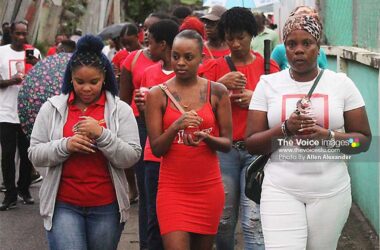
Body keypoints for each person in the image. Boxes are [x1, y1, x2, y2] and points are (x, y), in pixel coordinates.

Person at [246, 14, 372, 250]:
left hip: (330, 192)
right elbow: (252, 143)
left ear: (318, 46)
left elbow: (362, 142)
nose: (299, 50)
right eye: (291, 44)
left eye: (307, 43)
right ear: (284, 47)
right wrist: (285, 129)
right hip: (280, 188)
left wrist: (329, 137)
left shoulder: (341, 84)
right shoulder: (267, 84)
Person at [28, 35, 142, 250]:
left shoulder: (120, 110)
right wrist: (66, 145)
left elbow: (131, 156)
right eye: (80, 82)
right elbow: (34, 153)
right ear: (70, 77)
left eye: (94, 82)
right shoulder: (52, 108)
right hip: (63, 205)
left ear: (105, 78)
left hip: (107, 206)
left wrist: (102, 135)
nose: (87, 88)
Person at [145, 29, 232, 250]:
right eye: (175, 56)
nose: (180, 62)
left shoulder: (217, 92)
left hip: (208, 189)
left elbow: (227, 143)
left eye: (188, 57)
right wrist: (176, 126)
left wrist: (207, 138)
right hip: (172, 190)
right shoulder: (157, 94)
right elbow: (156, 149)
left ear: (202, 59)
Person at [201, 7, 279, 250]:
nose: (235, 44)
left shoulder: (269, 67)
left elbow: (279, 109)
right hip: (224, 152)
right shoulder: (215, 68)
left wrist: (255, 97)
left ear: (252, 35)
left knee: (253, 220)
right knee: (223, 221)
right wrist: (219, 85)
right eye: (230, 38)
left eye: (241, 37)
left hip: (257, 151)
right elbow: (194, 101)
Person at [119, 12, 169, 250]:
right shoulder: (133, 59)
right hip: (139, 124)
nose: (146, 32)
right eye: (144, 28)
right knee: (148, 188)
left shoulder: (179, 62)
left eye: (152, 29)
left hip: (169, 123)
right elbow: (123, 97)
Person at [139, 19, 179, 250]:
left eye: (150, 42)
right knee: (153, 218)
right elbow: (149, 122)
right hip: (154, 157)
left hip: (182, 154)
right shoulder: (148, 73)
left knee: (175, 219)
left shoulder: (193, 74)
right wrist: (145, 109)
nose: (147, 48)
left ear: (163, 44)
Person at [0, 20, 41, 210]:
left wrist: (37, 66)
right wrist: (12, 81)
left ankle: (24, 189)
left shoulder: (34, 53)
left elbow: (42, 83)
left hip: (27, 112)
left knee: (26, 155)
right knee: (7, 155)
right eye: (18, 34)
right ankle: (10, 194)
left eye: (24, 34)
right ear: (11, 33)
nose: (21, 37)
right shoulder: (2, 52)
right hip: (5, 112)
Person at [271, 6, 328, 70]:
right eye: (292, 44)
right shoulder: (280, 50)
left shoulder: (320, 52)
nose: (303, 21)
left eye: (307, 44)